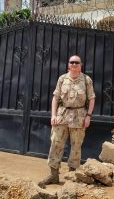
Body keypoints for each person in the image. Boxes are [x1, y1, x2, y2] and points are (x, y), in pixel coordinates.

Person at [39, 55, 95, 187]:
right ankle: (53, 175)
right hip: (62, 115)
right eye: (72, 62)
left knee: (76, 146)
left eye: (77, 62)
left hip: (79, 116)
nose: (74, 64)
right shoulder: (62, 79)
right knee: (56, 143)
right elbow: (55, 98)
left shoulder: (86, 80)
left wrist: (88, 116)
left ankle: (72, 175)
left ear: (80, 65)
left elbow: (91, 99)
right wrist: (53, 115)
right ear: (68, 65)